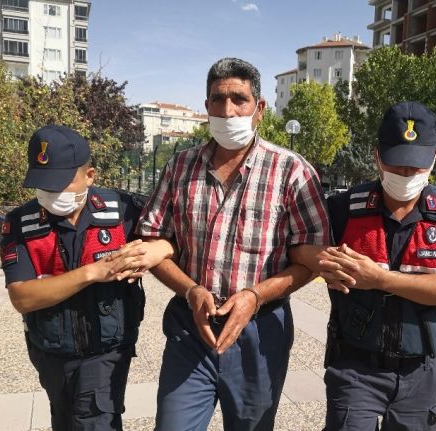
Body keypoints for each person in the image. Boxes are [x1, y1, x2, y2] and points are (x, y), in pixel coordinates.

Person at [135, 57, 331, 431]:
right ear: (206, 106)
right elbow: (153, 240)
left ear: (259, 109)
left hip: (260, 334)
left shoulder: (291, 171)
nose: (227, 110)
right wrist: (190, 289)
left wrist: (255, 296)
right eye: (218, 99)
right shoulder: (180, 167)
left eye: (239, 99)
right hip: (191, 329)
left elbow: (310, 257)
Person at [292, 101, 436, 430]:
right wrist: (323, 262)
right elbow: (298, 247)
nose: (406, 175)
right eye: (397, 165)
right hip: (355, 366)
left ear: (435, 158)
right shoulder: (344, 208)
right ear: (378, 156)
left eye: (417, 167)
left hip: (421, 371)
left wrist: (379, 278)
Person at [0, 125, 172, 431]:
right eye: (42, 185)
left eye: (59, 184)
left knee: (95, 420)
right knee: (64, 420)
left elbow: (175, 235)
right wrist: (93, 272)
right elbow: (22, 297)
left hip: (107, 349)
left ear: (89, 176)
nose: (49, 194)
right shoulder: (20, 224)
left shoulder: (121, 210)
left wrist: (160, 248)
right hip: (50, 350)